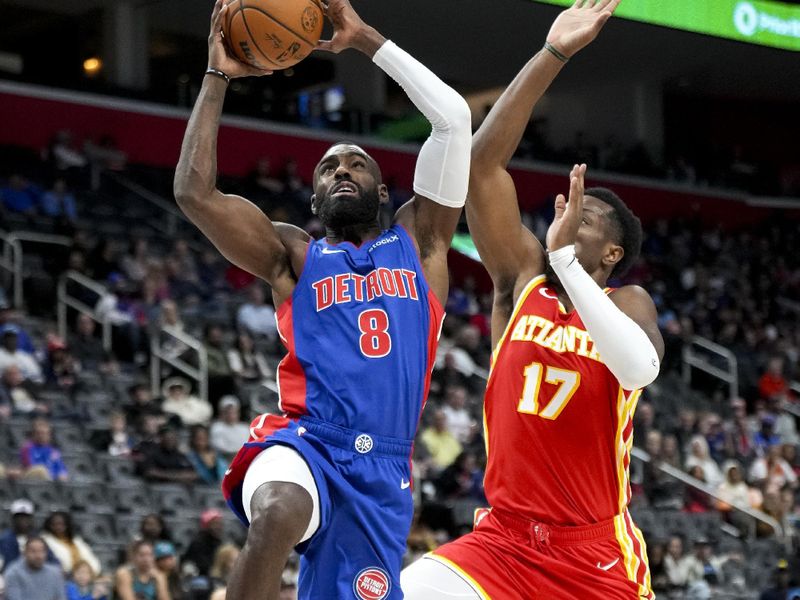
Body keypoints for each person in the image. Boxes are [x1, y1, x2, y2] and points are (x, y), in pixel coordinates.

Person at [173, 0, 470, 597]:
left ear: (383, 189)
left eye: (355, 163)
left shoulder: (423, 241)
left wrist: (366, 40)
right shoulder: (296, 256)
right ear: (313, 199)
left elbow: (454, 122)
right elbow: (195, 194)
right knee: (278, 509)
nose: (340, 170)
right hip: (308, 439)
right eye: (327, 167)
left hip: (384, 469)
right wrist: (217, 76)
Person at [402, 2, 664, 598]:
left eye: (587, 217)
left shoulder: (628, 304)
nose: (568, 213)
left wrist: (567, 264)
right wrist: (554, 54)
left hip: (594, 556)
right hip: (502, 542)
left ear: (612, 255)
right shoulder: (523, 280)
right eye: (566, 206)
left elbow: (638, 367)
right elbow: (482, 164)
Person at [41, 511, 101, 576]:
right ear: (49, 525)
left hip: (84, 576)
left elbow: (90, 558)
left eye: (61, 524)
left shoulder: (76, 540)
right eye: (54, 524)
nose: (58, 527)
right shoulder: (44, 540)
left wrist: (90, 572)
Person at [19, 417, 68, 481]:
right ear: (34, 434)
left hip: (52, 480)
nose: (42, 436)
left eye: (45, 433)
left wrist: (61, 475)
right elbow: (30, 467)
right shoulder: (27, 448)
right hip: (33, 480)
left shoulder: (53, 451)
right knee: (40, 470)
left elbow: (60, 467)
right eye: (39, 433)